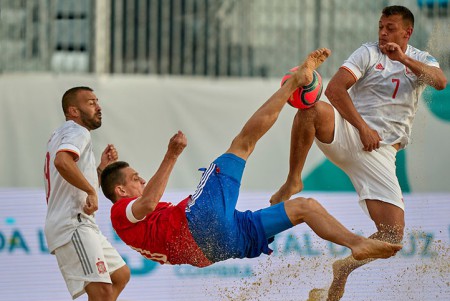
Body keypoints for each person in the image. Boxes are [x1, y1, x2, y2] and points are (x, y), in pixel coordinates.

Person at [99, 49, 402, 273]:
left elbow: (130, 196)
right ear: (121, 192)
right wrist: (172, 155)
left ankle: (355, 243)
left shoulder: (126, 218)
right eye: (135, 177)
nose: (140, 179)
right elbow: (149, 202)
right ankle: (292, 84)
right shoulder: (121, 211)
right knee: (243, 143)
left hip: (213, 249)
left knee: (304, 208)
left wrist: (103, 171)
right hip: (200, 223)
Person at [269, 6, 447, 301]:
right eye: (380, 26)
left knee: (392, 239)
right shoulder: (367, 52)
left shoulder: (419, 59)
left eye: (390, 27)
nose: (382, 33)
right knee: (311, 108)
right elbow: (336, 90)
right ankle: (293, 180)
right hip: (351, 133)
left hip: (381, 154)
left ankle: (345, 268)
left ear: (407, 32)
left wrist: (402, 59)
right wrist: (362, 127)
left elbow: (441, 82)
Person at [44, 86, 130, 301]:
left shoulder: (61, 133)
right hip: (72, 223)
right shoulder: (78, 131)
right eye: (91, 103)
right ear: (73, 110)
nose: (99, 107)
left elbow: (72, 174)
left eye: (97, 101)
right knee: (101, 293)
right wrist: (92, 191)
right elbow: (63, 162)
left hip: (81, 222)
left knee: (120, 275)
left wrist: (101, 168)